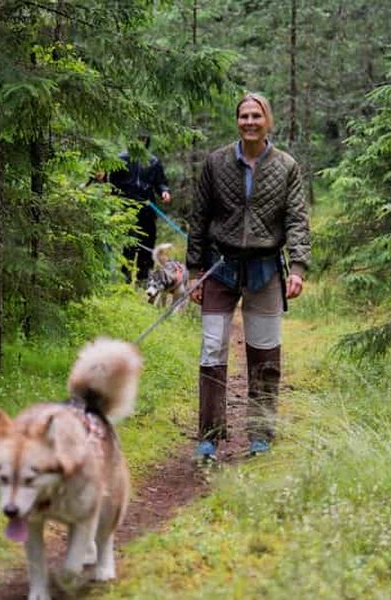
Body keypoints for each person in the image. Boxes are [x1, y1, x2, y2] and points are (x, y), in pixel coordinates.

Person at [186, 92, 310, 461]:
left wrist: (299, 267)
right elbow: (199, 219)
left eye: (257, 116)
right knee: (212, 351)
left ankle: (261, 435)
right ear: (237, 121)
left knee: (265, 352)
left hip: (265, 269)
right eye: (244, 116)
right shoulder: (216, 163)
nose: (250, 122)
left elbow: (297, 221)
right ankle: (209, 436)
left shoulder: (286, 166)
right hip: (220, 268)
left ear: (267, 120)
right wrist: (195, 271)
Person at [108, 136, 172, 283]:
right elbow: (112, 183)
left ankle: (144, 278)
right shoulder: (121, 159)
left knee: (148, 244)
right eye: (137, 139)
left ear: (147, 142)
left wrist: (164, 192)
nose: (140, 142)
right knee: (129, 245)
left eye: (143, 139)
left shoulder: (154, 161)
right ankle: (126, 277)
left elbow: (161, 183)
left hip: (147, 209)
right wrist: (114, 201)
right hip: (126, 209)